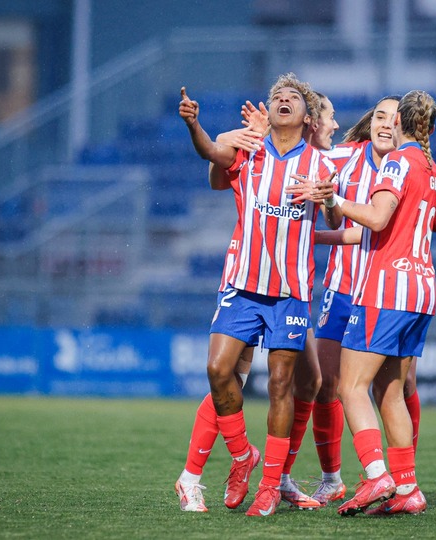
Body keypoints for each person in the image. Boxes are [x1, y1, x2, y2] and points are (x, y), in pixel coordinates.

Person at [176, 74, 340, 518]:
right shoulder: (249, 149)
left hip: (289, 294)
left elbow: (332, 210)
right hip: (242, 286)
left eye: (293, 98)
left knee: (282, 385)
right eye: (277, 97)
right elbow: (211, 154)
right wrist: (194, 125)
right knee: (217, 369)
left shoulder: (321, 165)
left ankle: (269, 485)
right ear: (270, 111)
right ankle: (242, 455)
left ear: (306, 115)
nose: (284, 100)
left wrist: (328, 199)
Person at [332, 90, 436, 516]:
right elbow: (432, 222)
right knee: (389, 391)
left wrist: (334, 200)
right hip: (422, 289)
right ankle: (408, 488)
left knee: (351, 386)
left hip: (386, 287)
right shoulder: (431, 167)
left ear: (399, 124)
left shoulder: (397, 161)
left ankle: (376, 473)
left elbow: (378, 218)